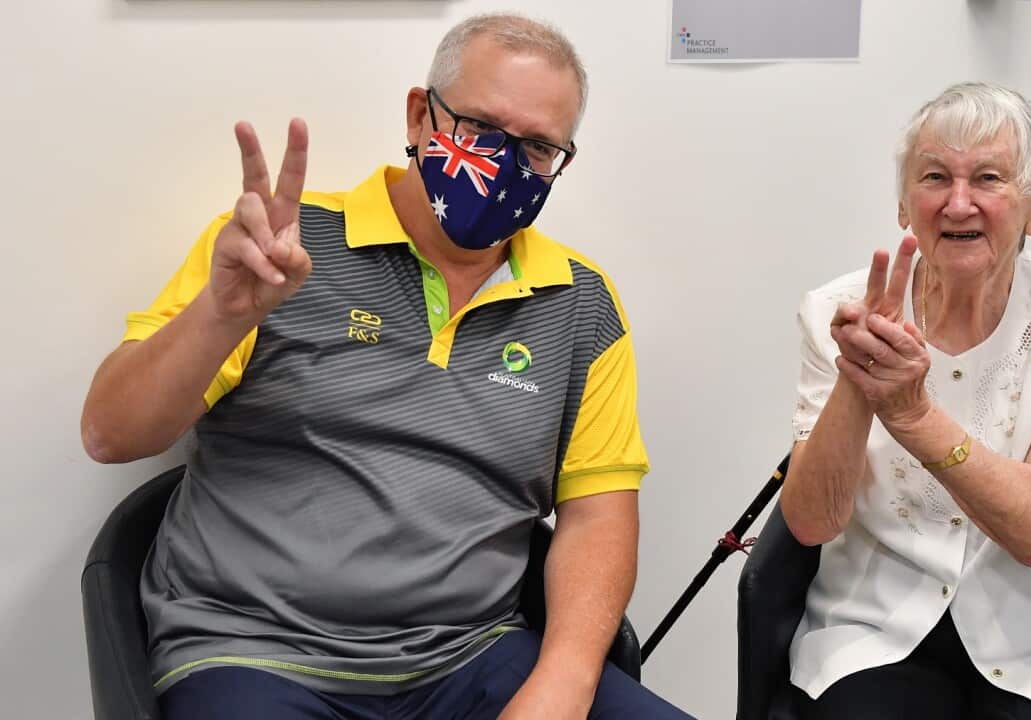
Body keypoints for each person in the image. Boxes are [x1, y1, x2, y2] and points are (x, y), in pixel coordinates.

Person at [80, 13, 691, 720]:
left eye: (538, 148)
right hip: (257, 653)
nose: (505, 164)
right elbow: (111, 434)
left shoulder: (581, 303)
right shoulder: (279, 248)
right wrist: (223, 314)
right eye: (479, 131)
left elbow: (597, 518)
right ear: (420, 116)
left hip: (471, 657)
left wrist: (564, 681)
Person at [779, 82, 1031, 719]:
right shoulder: (837, 312)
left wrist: (913, 416)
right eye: (936, 177)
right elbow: (812, 524)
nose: (958, 203)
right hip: (876, 628)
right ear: (903, 205)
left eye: (990, 179)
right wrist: (856, 380)